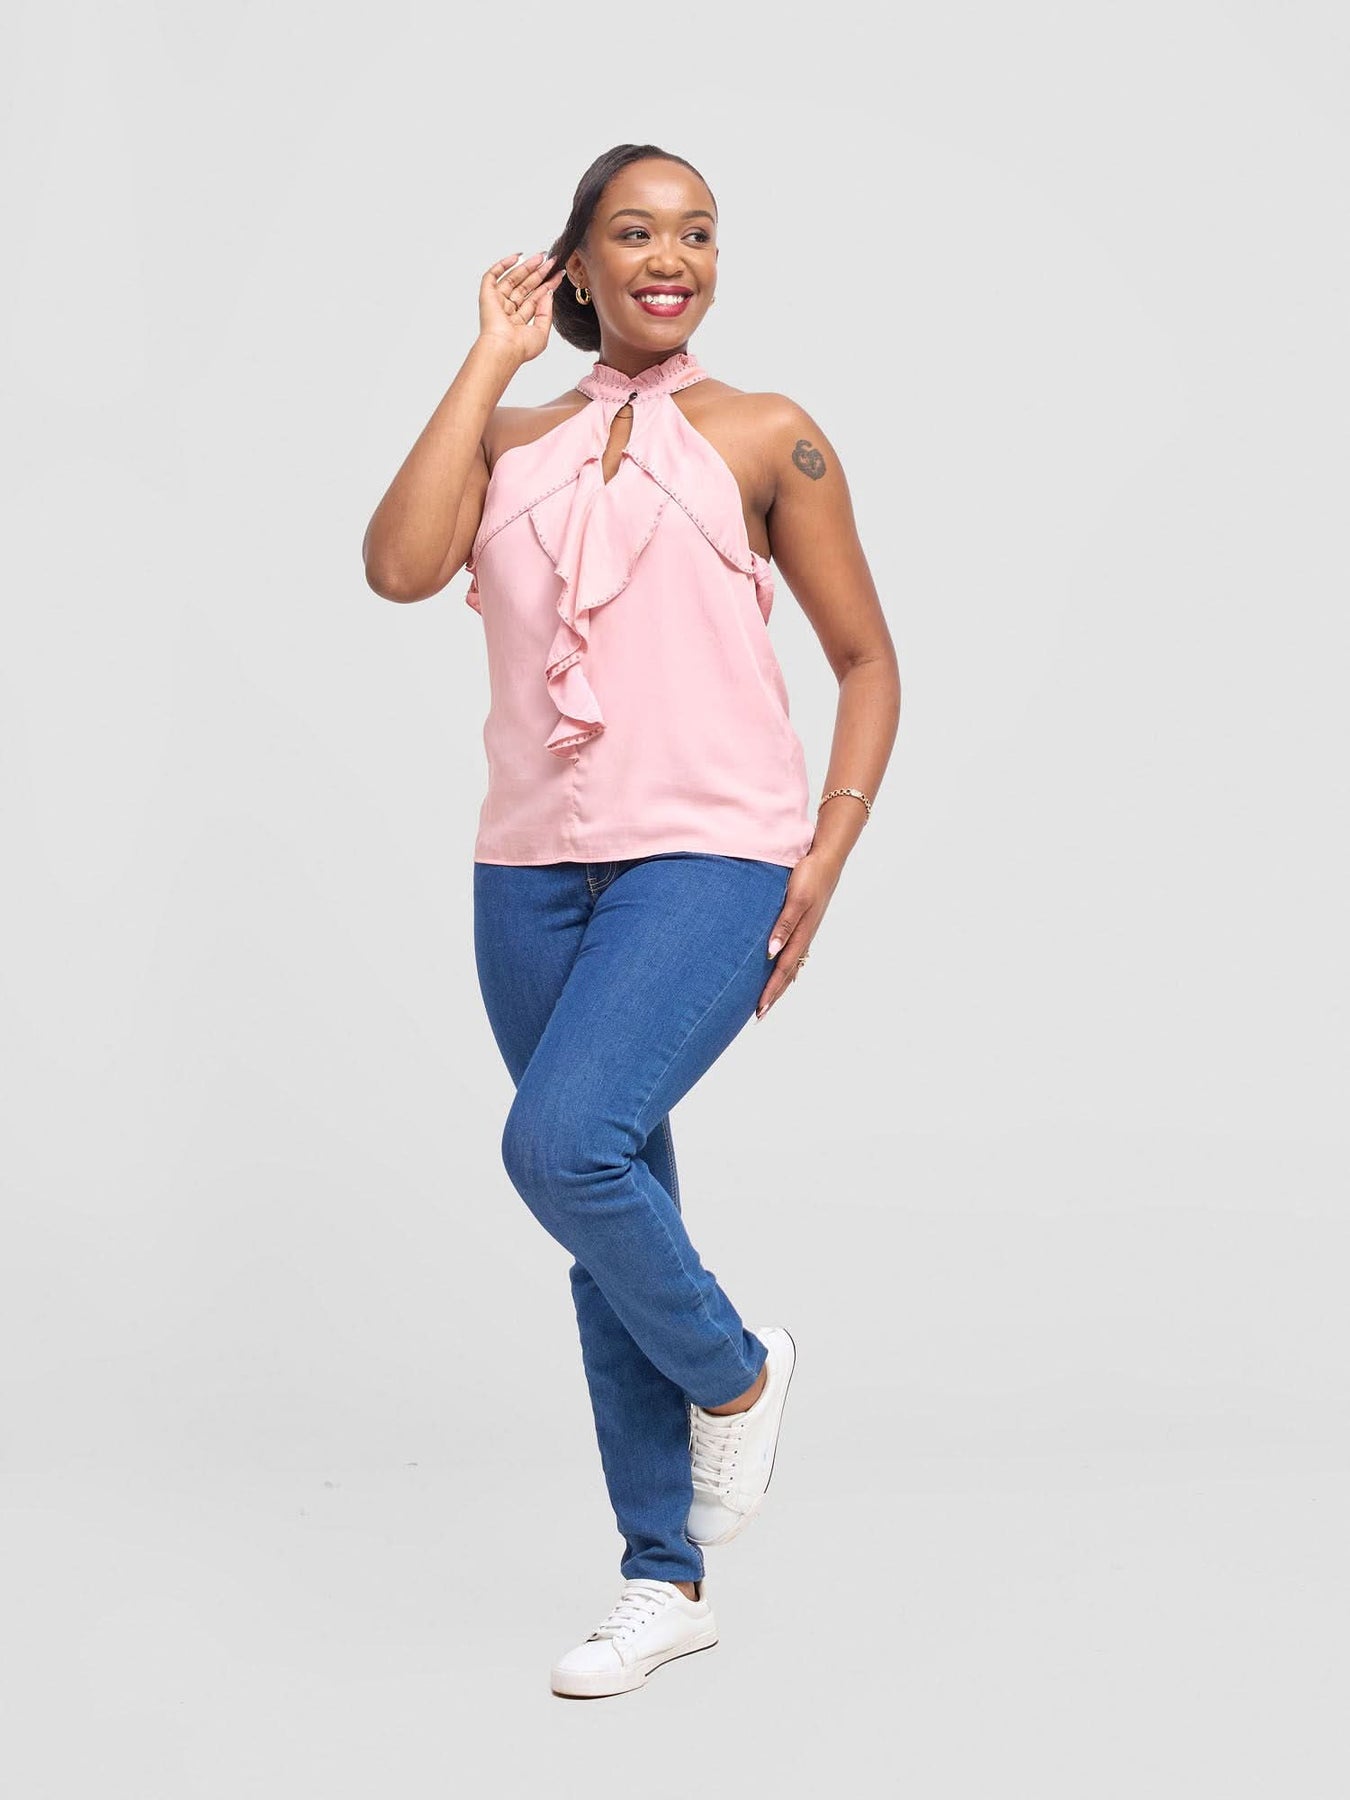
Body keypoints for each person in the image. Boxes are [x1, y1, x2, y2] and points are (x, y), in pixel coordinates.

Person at [362, 143, 900, 1699]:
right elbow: (398, 568)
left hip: (710, 855)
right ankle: (662, 1582)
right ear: (576, 266)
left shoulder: (767, 433)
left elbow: (867, 661)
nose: (673, 258)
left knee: (562, 1147)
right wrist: (489, 358)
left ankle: (733, 1371)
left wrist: (826, 852)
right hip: (528, 871)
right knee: (608, 1210)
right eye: (635, 232)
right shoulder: (511, 437)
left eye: (698, 233)